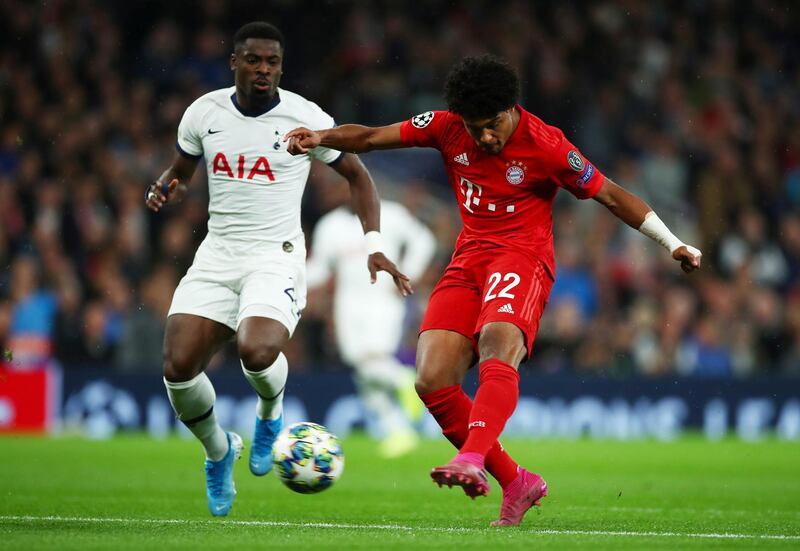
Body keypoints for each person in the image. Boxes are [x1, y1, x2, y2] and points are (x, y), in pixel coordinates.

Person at [285, 55, 702, 526]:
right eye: (474, 127)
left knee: (496, 346)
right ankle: (518, 481)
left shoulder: (548, 147)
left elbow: (610, 194)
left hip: (522, 259)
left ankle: (472, 457)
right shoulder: (446, 128)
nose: (483, 137)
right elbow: (372, 137)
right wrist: (322, 138)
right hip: (468, 261)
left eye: (492, 125)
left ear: (511, 108)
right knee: (431, 378)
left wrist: (673, 243)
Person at [145, 21, 410, 517]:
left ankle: (270, 416)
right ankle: (219, 453)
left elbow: (358, 173)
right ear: (235, 63)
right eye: (253, 60)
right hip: (218, 251)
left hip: (276, 254)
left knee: (257, 349)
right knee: (177, 370)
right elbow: (182, 168)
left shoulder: (304, 117)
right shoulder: (204, 113)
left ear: (281, 68)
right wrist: (166, 185)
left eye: (271, 62)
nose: (263, 69)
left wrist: (372, 242)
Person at [307, 187, 436, 458]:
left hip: (384, 299)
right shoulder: (330, 225)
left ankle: (403, 380)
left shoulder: (390, 214)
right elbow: (319, 269)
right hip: (348, 305)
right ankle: (398, 431)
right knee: (361, 367)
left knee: (372, 359)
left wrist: (408, 273)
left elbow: (424, 240)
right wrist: (291, 280)